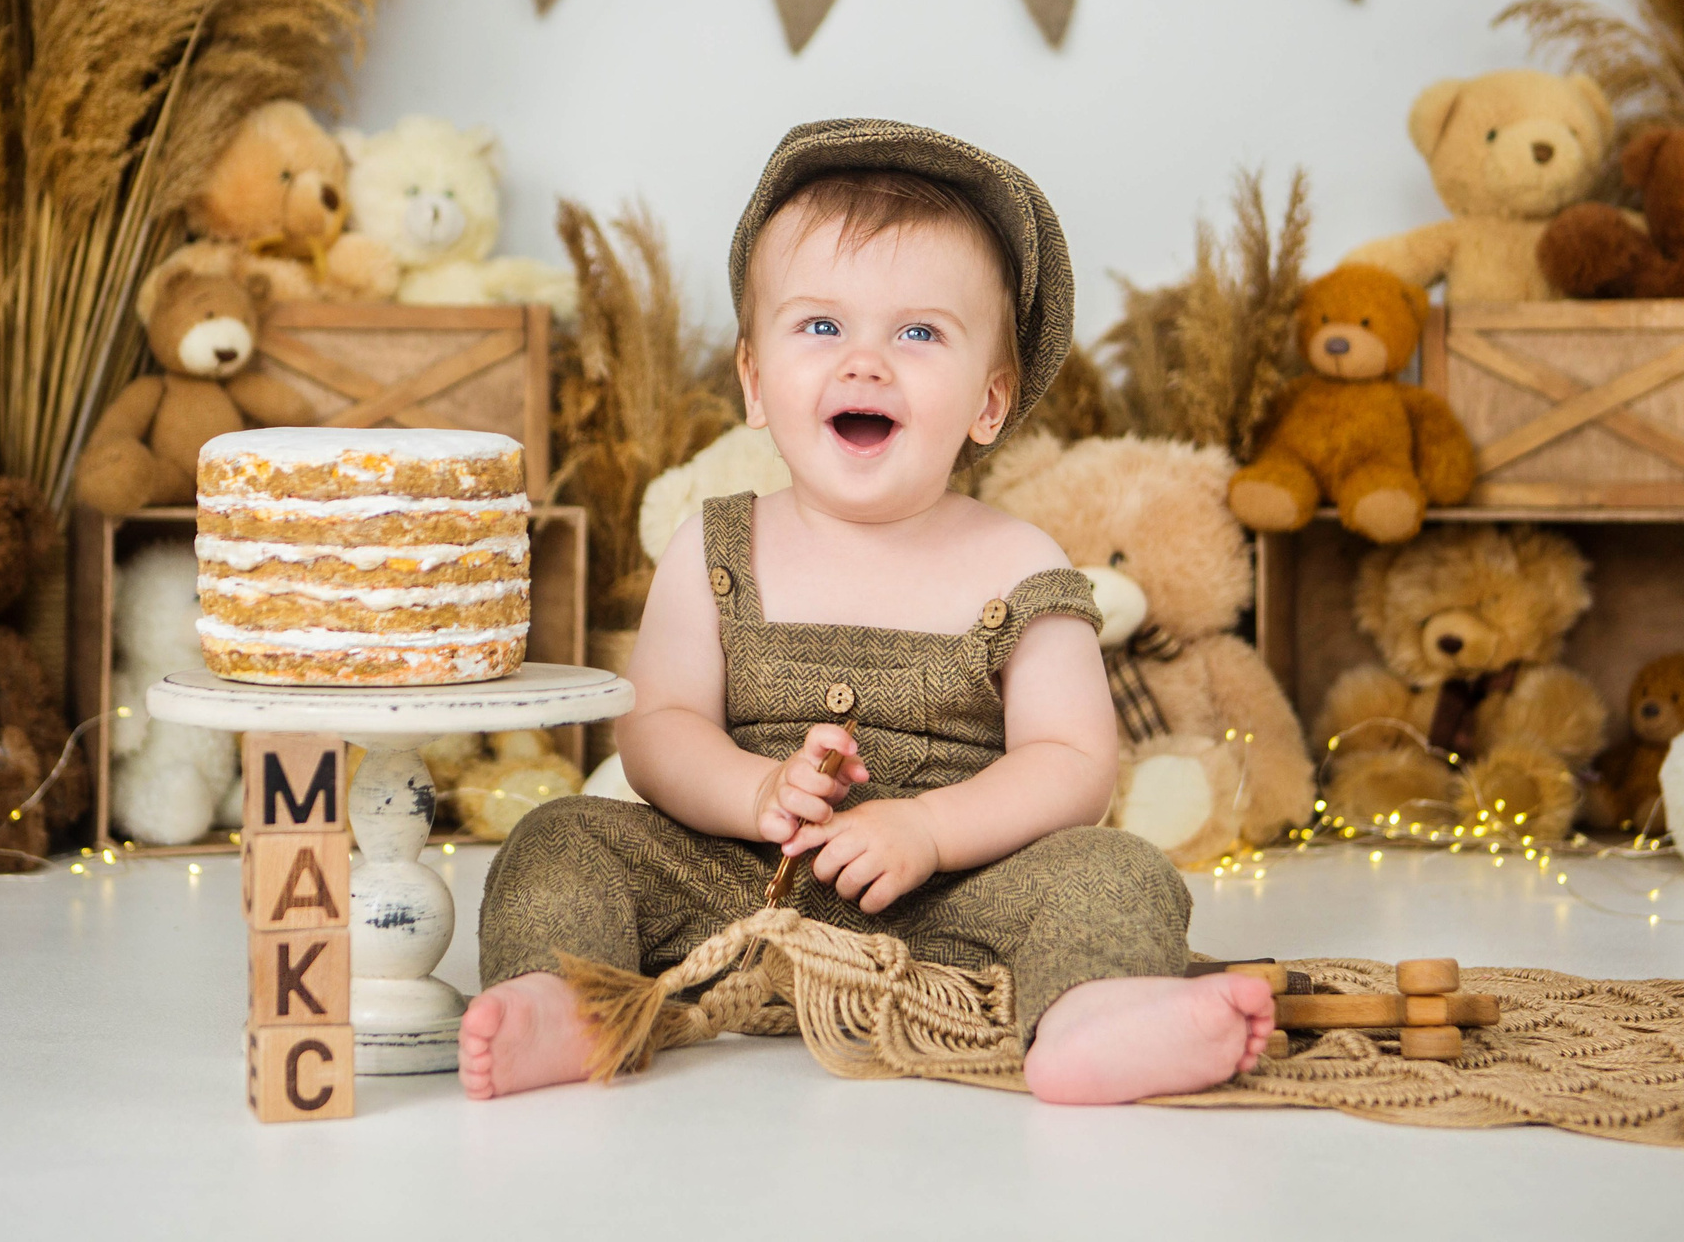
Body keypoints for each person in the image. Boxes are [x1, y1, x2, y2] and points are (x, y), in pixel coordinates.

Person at [461, 119, 1274, 1103]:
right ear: (756, 384)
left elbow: (1073, 766)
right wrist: (755, 794)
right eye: (820, 326)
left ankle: (1089, 1018)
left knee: (1116, 870)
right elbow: (658, 731)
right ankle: (569, 1001)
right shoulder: (716, 547)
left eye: (919, 332)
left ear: (989, 401)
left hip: (951, 905)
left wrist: (928, 832)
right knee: (561, 838)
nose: (865, 363)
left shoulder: (1018, 562)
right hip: (732, 883)